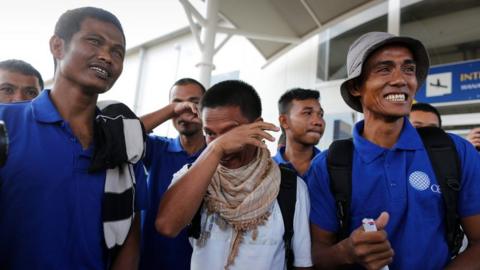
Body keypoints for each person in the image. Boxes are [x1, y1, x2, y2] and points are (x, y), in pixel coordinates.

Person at [307, 31, 480, 269]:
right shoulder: (328, 166)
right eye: (385, 69)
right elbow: (312, 256)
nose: (401, 79)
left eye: (408, 69)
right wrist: (345, 251)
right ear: (356, 86)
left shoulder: (456, 152)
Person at [0, 7, 147, 270]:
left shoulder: (125, 140)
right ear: (57, 46)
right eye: (94, 41)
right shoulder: (6, 123)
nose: (107, 56)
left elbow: (130, 233)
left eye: (117, 52)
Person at [155, 80, 313, 270]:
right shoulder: (192, 175)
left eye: (231, 132)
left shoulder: (291, 187)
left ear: (257, 127)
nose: (223, 143)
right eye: (210, 133)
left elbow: (303, 264)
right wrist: (215, 149)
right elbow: (166, 226)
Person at [139, 78, 206, 270]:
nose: (186, 109)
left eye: (194, 102)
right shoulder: (157, 148)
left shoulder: (217, 155)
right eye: (177, 102)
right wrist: (171, 110)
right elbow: (126, 131)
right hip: (150, 262)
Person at [274, 88, 324, 177]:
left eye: (320, 114)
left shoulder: (333, 167)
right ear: (284, 121)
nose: (318, 122)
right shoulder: (264, 171)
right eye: (308, 113)